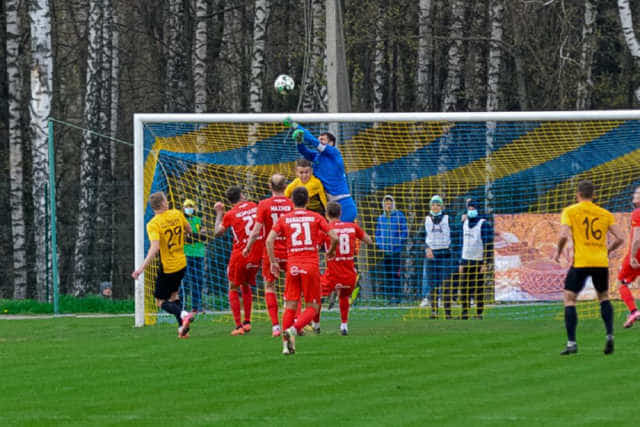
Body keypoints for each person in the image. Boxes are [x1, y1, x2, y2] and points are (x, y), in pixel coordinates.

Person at [266, 186, 338, 355]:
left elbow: (269, 240)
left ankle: (285, 346)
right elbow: (334, 236)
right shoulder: (315, 217)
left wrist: (273, 262)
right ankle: (294, 329)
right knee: (313, 306)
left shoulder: (285, 218)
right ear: (307, 201)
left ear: (292, 201)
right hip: (310, 266)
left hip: (292, 266)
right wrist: (332, 250)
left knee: (290, 305)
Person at [554, 180, 623, 355]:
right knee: (604, 297)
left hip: (581, 262)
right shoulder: (604, 213)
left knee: (569, 298)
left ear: (578, 194)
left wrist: (558, 252)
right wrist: (607, 250)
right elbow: (621, 237)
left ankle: (571, 343)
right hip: (600, 262)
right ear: (594, 196)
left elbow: (563, 235)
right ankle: (609, 336)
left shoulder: (570, 211)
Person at [132, 191, 194, 338]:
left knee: (160, 302)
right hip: (182, 263)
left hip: (168, 267)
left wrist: (141, 269)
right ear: (164, 203)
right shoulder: (177, 213)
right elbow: (189, 230)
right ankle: (182, 329)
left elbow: (155, 248)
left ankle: (183, 314)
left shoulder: (153, 224)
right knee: (174, 295)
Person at [243, 174, 294, 337]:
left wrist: (247, 247)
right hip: (289, 250)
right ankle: (294, 323)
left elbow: (256, 230)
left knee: (269, 286)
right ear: (285, 186)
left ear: (269, 186)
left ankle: (275, 327)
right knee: (293, 287)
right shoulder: (291, 203)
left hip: (271, 251)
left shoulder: (264, 204)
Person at [283, 117, 357, 222]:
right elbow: (304, 152)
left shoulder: (335, 154)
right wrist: (299, 142)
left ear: (331, 143)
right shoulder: (317, 156)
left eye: (322, 140)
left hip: (344, 204)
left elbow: (313, 141)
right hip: (330, 205)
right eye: (319, 139)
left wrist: (295, 125)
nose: (319, 142)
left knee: (341, 234)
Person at [214, 185, 263, 336]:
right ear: (242, 195)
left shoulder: (230, 214)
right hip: (257, 254)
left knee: (233, 287)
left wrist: (219, 213)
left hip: (241, 254)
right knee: (246, 285)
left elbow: (217, 232)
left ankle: (238, 326)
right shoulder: (255, 206)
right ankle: (247, 322)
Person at [320, 201, 373, 335]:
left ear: (326, 214)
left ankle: (315, 324)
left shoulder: (326, 228)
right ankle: (344, 325)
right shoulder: (352, 226)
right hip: (349, 272)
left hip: (332, 271)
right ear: (341, 213)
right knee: (344, 296)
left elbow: (317, 245)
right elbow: (369, 240)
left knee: (317, 295)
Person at [458, 198, 492, 320]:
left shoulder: (483, 224)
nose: (471, 210)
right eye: (469, 208)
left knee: (478, 288)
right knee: (464, 287)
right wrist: (460, 261)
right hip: (466, 259)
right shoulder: (464, 222)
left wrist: (486, 262)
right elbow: (460, 243)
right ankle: (465, 312)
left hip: (478, 260)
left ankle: (478, 313)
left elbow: (488, 244)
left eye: (473, 208)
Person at [421, 195, 452, 319]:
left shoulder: (448, 218)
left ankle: (448, 312)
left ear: (441, 206)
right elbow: (420, 236)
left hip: (445, 254)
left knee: (446, 284)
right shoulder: (426, 219)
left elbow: (456, 234)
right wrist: (426, 248)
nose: (435, 207)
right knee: (432, 284)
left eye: (438, 204)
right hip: (431, 255)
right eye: (433, 204)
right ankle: (434, 311)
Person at [374, 195, 408, 303]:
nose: (388, 205)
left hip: (396, 251)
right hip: (385, 251)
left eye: (390, 203)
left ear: (393, 204)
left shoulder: (399, 216)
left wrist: (398, 243)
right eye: (386, 203)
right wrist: (381, 245)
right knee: (387, 273)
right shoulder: (381, 218)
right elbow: (378, 233)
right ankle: (389, 297)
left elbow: (404, 231)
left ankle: (397, 296)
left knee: (396, 273)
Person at [618, 186, 640, 328]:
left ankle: (633, 311)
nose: (634, 194)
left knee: (621, 282)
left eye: (638, 193)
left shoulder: (637, 213)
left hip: (638, 253)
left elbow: (637, 238)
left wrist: (632, 256)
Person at [182, 199, 207, 313]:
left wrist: (191, 236)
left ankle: (196, 306)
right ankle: (182, 305)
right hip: (186, 253)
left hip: (199, 253)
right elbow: (184, 238)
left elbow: (204, 236)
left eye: (191, 206)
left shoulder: (198, 220)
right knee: (185, 280)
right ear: (183, 208)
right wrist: (196, 236)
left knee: (198, 280)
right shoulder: (181, 220)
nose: (189, 208)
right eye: (187, 206)